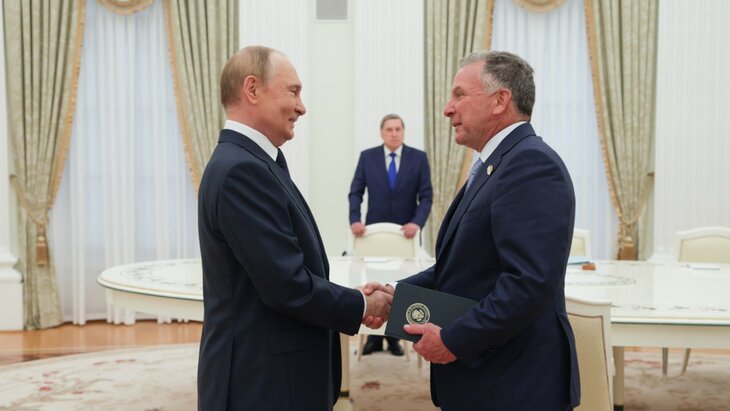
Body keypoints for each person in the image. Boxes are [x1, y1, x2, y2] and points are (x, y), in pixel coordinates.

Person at [378, 51, 580, 410]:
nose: (447, 109)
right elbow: (464, 267)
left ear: (500, 100)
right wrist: (397, 292)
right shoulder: (497, 165)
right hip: (492, 380)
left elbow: (528, 283)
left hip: (516, 384)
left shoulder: (530, 164)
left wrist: (454, 340)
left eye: (459, 95)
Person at [197, 46, 392, 411]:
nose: (302, 107)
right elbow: (286, 286)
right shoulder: (242, 170)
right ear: (252, 89)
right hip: (264, 384)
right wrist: (364, 303)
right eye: (293, 91)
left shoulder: (253, 161)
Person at [348, 114, 433, 356]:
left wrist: (417, 223)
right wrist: (355, 219)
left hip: (405, 237)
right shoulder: (367, 157)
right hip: (373, 236)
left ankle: (394, 337)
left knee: (399, 286)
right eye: (389, 129)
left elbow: (426, 196)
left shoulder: (418, 158)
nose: (394, 133)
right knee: (374, 285)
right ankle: (373, 340)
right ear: (382, 133)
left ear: (403, 132)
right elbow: (355, 192)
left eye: (398, 129)